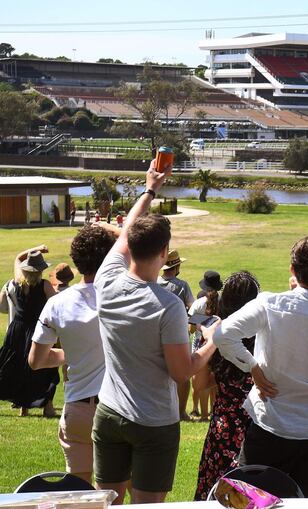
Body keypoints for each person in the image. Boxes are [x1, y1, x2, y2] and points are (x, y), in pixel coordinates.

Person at [91, 161, 217, 505]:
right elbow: (181, 371)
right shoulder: (167, 305)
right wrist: (211, 343)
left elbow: (129, 229)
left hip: (109, 414)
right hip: (153, 423)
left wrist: (150, 189)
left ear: (129, 245)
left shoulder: (106, 279)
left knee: (108, 502)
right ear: (164, 253)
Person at [206, 235, 308, 498]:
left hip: (271, 428)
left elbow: (222, 335)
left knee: (251, 502)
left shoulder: (271, 304)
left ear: (292, 270)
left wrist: (251, 366)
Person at [28, 226, 116, 482]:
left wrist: (71, 353)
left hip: (78, 408)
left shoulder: (56, 303)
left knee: (79, 491)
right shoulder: (121, 297)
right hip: (117, 408)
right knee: (119, 489)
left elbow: (36, 361)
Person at [193, 271, 261, 501]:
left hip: (224, 426)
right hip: (258, 424)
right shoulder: (264, 334)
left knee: (214, 496)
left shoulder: (216, 334)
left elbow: (200, 384)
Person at [0, 247, 58, 417]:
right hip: (37, 329)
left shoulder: (15, 283)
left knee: (18, 366)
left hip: (16, 330)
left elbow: (18, 257)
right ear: (41, 270)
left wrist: (36, 249)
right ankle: (48, 407)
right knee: (46, 367)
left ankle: (23, 408)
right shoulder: (45, 285)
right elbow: (56, 306)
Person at [158, 249, 195, 421]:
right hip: (178, 334)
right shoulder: (182, 286)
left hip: (156, 332)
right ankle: (181, 411)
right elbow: (192, 308)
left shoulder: (154, 283)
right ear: (177, 266)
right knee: (184, 374)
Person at [188, 270, 224, 420]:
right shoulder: (223, 302)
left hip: (200, 347)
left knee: (201, 383)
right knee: (214, 382)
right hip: (219, 346)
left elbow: (190, 329)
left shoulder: (198, 304)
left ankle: (202, 415)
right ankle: (213, 411)